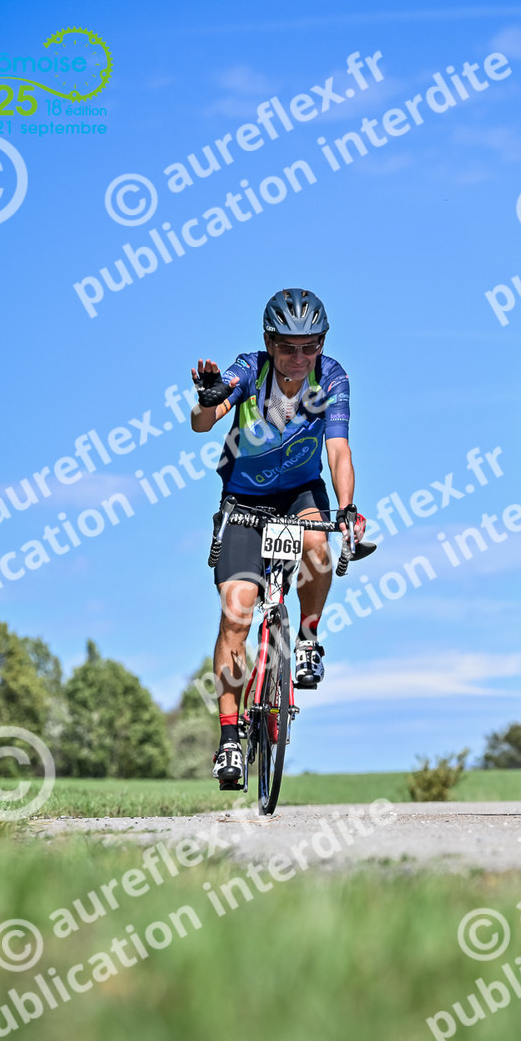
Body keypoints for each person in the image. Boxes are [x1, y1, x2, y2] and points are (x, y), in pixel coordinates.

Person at [191, 288, 366, 790]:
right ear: (269, 343)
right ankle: (230, 738)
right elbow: (203, 423)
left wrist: (347, 507)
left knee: (316, 546)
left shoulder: (332, 378)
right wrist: (207, 400)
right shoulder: (250, 370)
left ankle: (308, 638)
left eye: (311, 346)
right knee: (237, 613)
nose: (299, 357)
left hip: (299, 494)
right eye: (288, 347)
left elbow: (338, 450)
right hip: (244, 500)